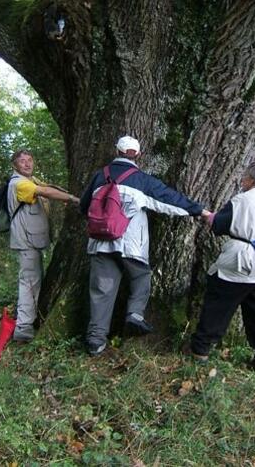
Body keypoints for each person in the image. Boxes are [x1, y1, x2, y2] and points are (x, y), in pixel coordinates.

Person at [80, 135, 207, 356]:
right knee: (140, 277)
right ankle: (135, 314)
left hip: (100, 243)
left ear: (117, 152)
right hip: (130, 245)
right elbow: (170, 200)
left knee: (102, 291)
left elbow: (84, 207)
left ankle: (96, 341)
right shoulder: (142, 180)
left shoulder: (100, 176)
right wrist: (200, 211)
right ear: (138, 155)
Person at [190, 162, 255, 372]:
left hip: (241, 260)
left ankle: (200, 351)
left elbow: (219, 225)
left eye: (244, 178)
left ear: (252, 181)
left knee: (218, 305)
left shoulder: (242, 200)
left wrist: (210, 218)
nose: (241, 182)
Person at [8, 149, 80, 342]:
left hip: (32, 242)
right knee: (29, 283)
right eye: (22, 161)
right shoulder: (19, 184)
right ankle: (23, 328)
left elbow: (47, 186)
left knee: (32, 281)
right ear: (15, 165)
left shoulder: (32, 181)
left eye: (29, 160)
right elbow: (44, 191)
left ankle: (26, 321)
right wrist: (73, 199)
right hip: (26, 243)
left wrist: (64, 193)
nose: (27, 163)